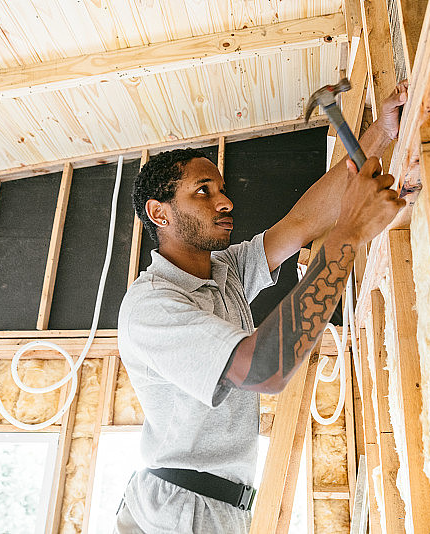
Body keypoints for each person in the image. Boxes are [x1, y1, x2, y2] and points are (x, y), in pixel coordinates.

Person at [115, 82, 408, 533]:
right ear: (159, 214)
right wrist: (347, 235)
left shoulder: (223, 271)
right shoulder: (151, 306)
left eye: (222, 189)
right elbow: (263, 370)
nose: (225, 201)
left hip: (212, 505)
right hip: (182, 510)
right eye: (203, 192)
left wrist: (380, 136)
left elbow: (302, 222)